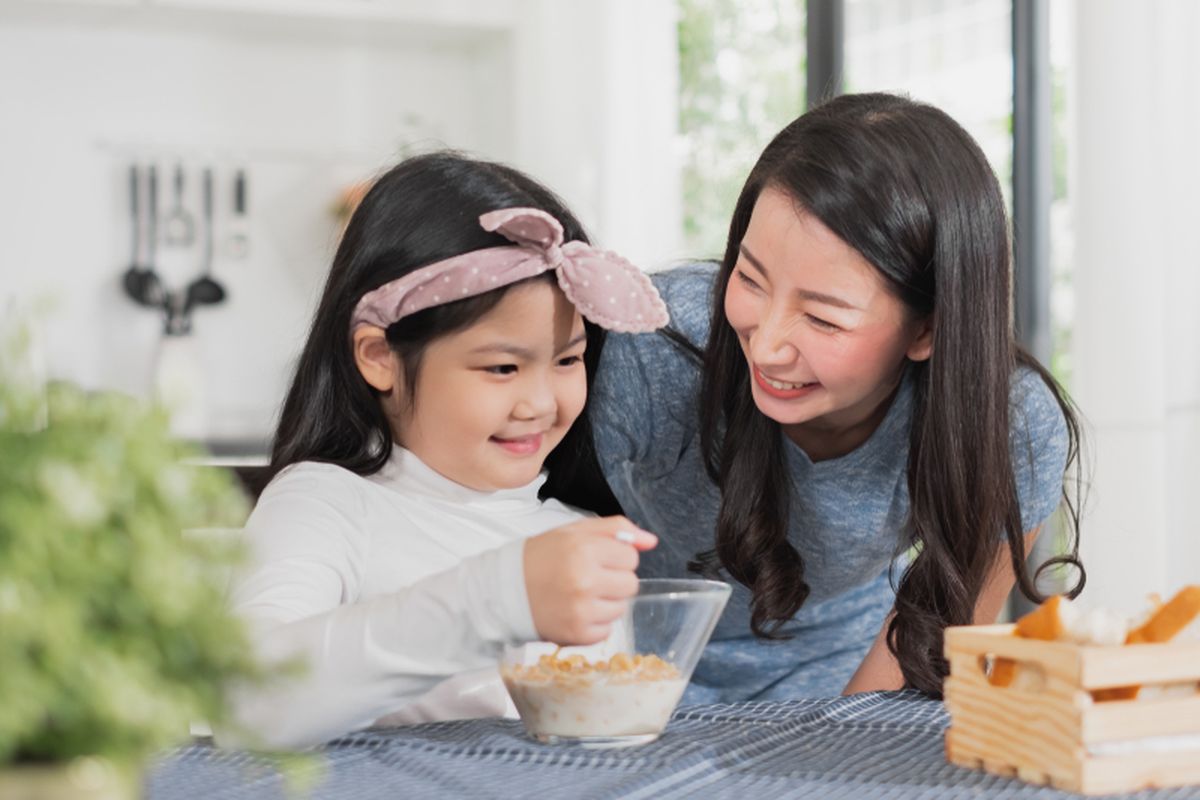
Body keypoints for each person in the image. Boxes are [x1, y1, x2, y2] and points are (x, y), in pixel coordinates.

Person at [586, 92, 1085, 702]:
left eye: (823, 319)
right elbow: (514, 533)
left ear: (928, 327)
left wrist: (835, 747)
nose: (767, 347)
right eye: (748, 278)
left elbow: (933, 645)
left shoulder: (1009, 424)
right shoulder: (656, 347)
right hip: (618, 660)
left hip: (843, 672)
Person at [225, 152, 667, 749]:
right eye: (503, 367)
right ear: (379, 356)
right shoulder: (327, 504)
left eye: (567, 360)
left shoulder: (577, 531)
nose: (539, 403)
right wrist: (499, 597)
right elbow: (248, 702)